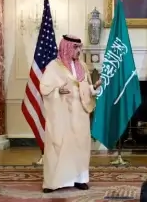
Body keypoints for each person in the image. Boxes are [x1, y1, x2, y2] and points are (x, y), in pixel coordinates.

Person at [40, 34, 102, 193]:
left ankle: (79, 179)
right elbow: (44, 89)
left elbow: (85, 88)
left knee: (80, 146)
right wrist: (57, 91)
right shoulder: (53, 67)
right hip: (61, 114)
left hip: (79, 114)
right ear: (66, 47)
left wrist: (93, 87)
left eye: (80, 47)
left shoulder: (82, 66)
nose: (79, 50)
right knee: (59, 147)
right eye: (76, 47)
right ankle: (53, 183)